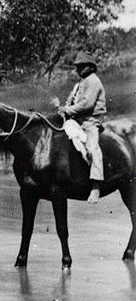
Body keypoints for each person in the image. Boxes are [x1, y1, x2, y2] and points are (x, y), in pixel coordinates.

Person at [57, 52, 106, 203]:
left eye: (82, 66)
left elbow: (87, 104)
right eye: (77, 66)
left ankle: (96, 185)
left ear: (91, 67)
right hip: (76, 120)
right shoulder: (79, 83)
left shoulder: (93, 81)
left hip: (90, 121)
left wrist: (67, 110)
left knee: (92, 148)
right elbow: (71, 101)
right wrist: (63, 109)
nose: (78, 69)